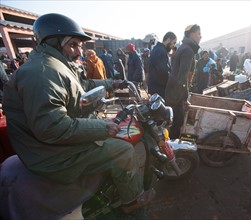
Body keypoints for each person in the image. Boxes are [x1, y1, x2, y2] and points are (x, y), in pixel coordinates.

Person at [1, 13, 154, 218]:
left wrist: (112, 84)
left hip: (50, 145)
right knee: (124, 150)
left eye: (79, 45)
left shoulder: (55, 65)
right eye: (73, 45)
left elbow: (81, 87)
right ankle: (132, 202)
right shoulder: (43, 73)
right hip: (51, 154)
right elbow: (52, 128)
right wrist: (103, 127)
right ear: (54, 43)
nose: (78, 51)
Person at [165, 24, 201, 139]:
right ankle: (172, 147)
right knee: (178, 121)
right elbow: (182, 76)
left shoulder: (184, 47)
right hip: (176, 91)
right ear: (191, 34)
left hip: (173, 88)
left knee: (173, 119)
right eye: (198, 34)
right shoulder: (188, 50)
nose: (201, 37)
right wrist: (185, 97)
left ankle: (169, 141)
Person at [148, 31, 177, 98]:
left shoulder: (158, 49)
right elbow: (163, 72)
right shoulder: (161, 51)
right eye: (174, 43)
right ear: (168, 40)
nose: (173, 46)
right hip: (159, 89)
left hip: (156, 87)